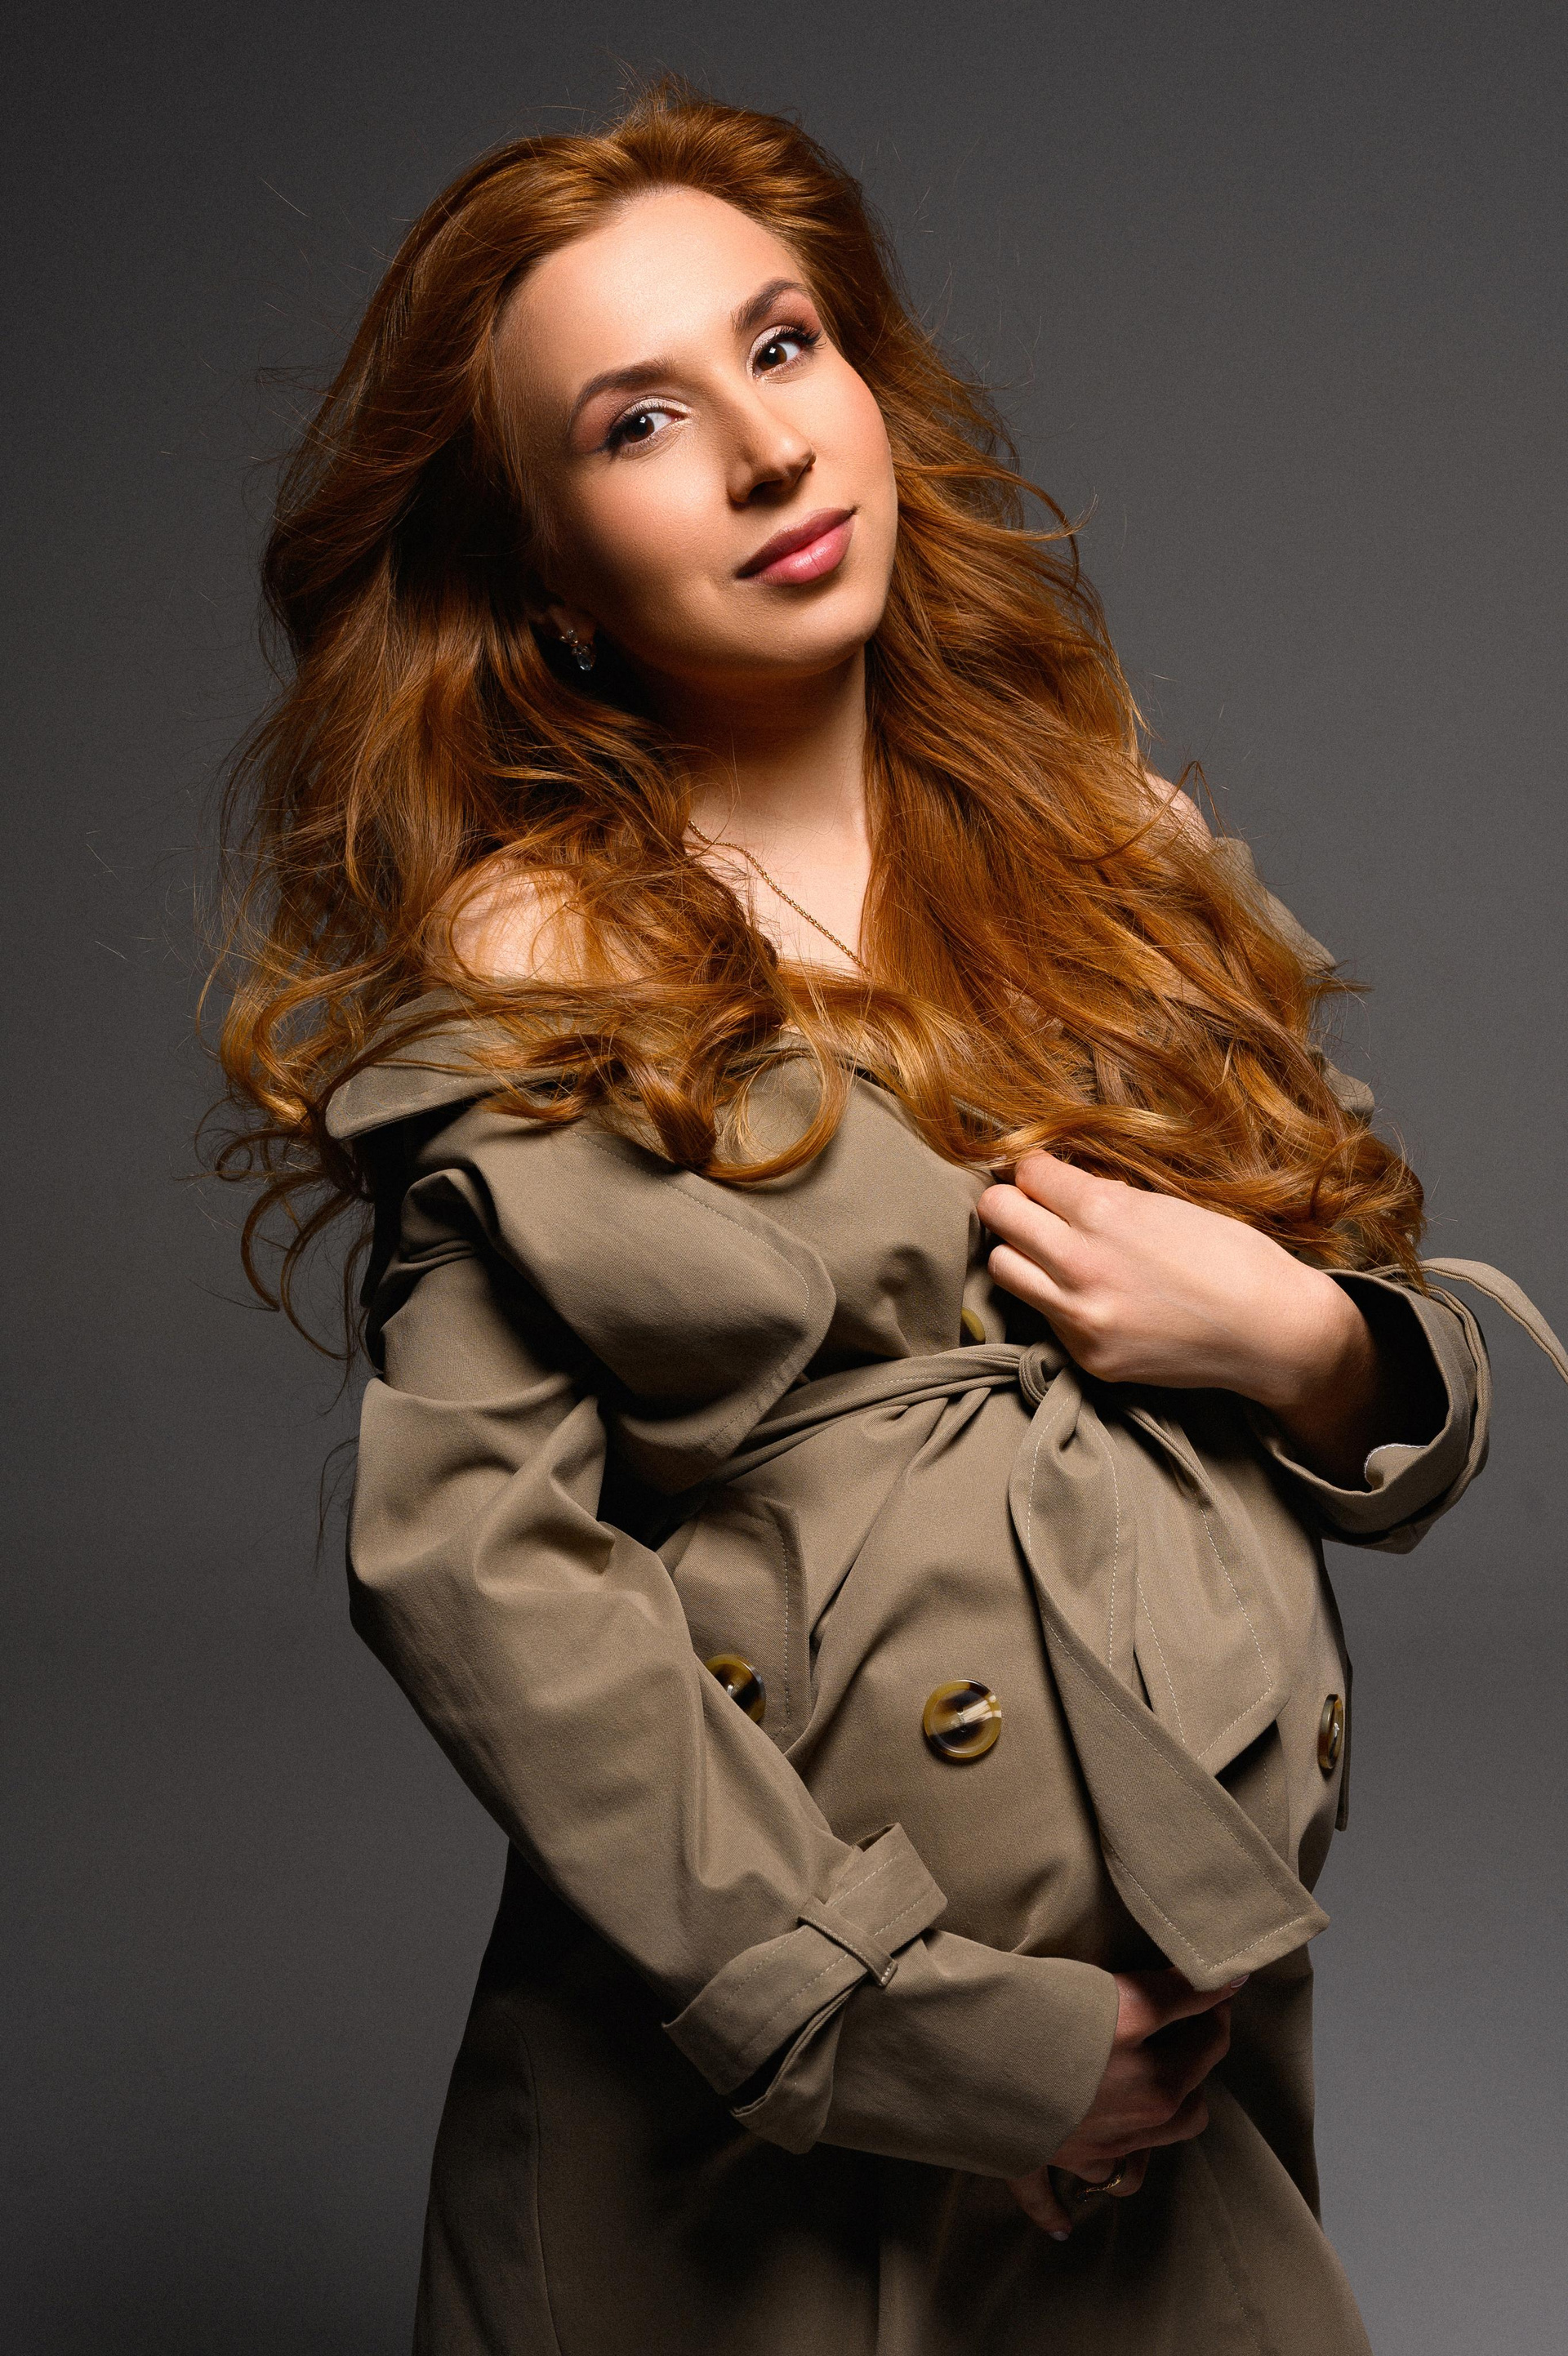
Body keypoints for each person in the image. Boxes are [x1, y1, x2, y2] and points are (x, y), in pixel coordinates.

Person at [212, 81, 1564, 2356]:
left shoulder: (1117, 860)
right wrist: (933, 2040)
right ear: (539, 566)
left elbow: (1398, 1359)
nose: (766, 447)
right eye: (643, 420)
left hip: (1171, 2077)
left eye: (784, 344)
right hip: (751, 2125)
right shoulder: (534, 981)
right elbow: (473, 1575)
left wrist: (1295, 1339)